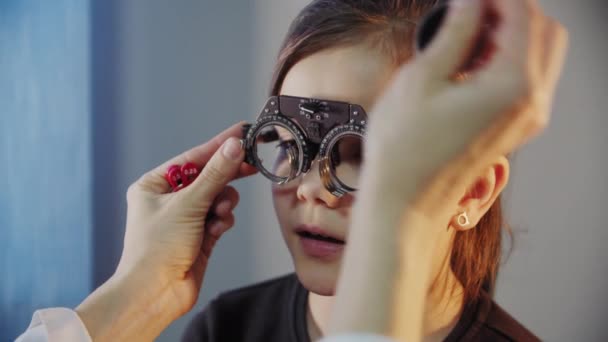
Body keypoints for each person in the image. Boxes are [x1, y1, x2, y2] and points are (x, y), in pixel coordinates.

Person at [16, 0, 567, 341]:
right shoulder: (225, 329)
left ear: (472, 191)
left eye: (365, 156)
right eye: (289, 145)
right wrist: (136, 295)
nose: (312, 189)